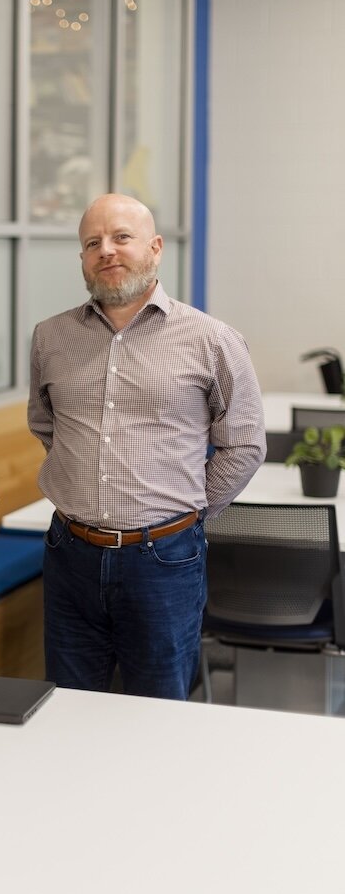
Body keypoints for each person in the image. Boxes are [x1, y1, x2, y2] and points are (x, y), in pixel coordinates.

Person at [28, 193, 265, 700]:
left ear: (155, 249)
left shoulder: (212, 339)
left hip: (164, 562)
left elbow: (243, 445)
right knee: (68, 707)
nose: (107, 251)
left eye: (121, 237)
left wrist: (186, 511)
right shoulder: (50, 337)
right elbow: (46, 425)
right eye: (93, 243)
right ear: (82, 259)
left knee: (159, 713)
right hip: (69, 555)